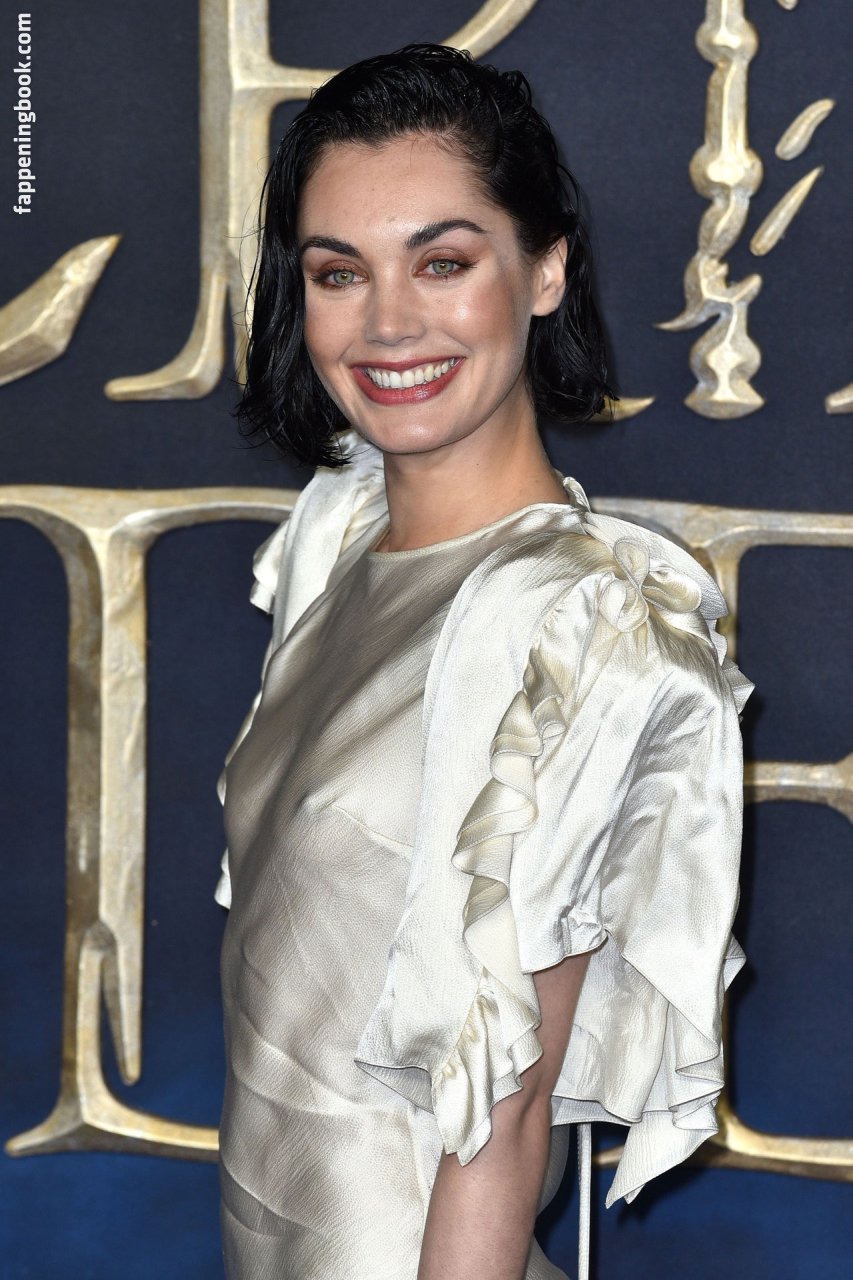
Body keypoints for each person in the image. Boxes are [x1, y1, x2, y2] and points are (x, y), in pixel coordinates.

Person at [215, 42, 754, 1280]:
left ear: (545, 268)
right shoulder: (336, 539)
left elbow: (503, 1115)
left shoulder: (573, 623)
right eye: (339, 273)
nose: (387, 322)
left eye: (443, 262)